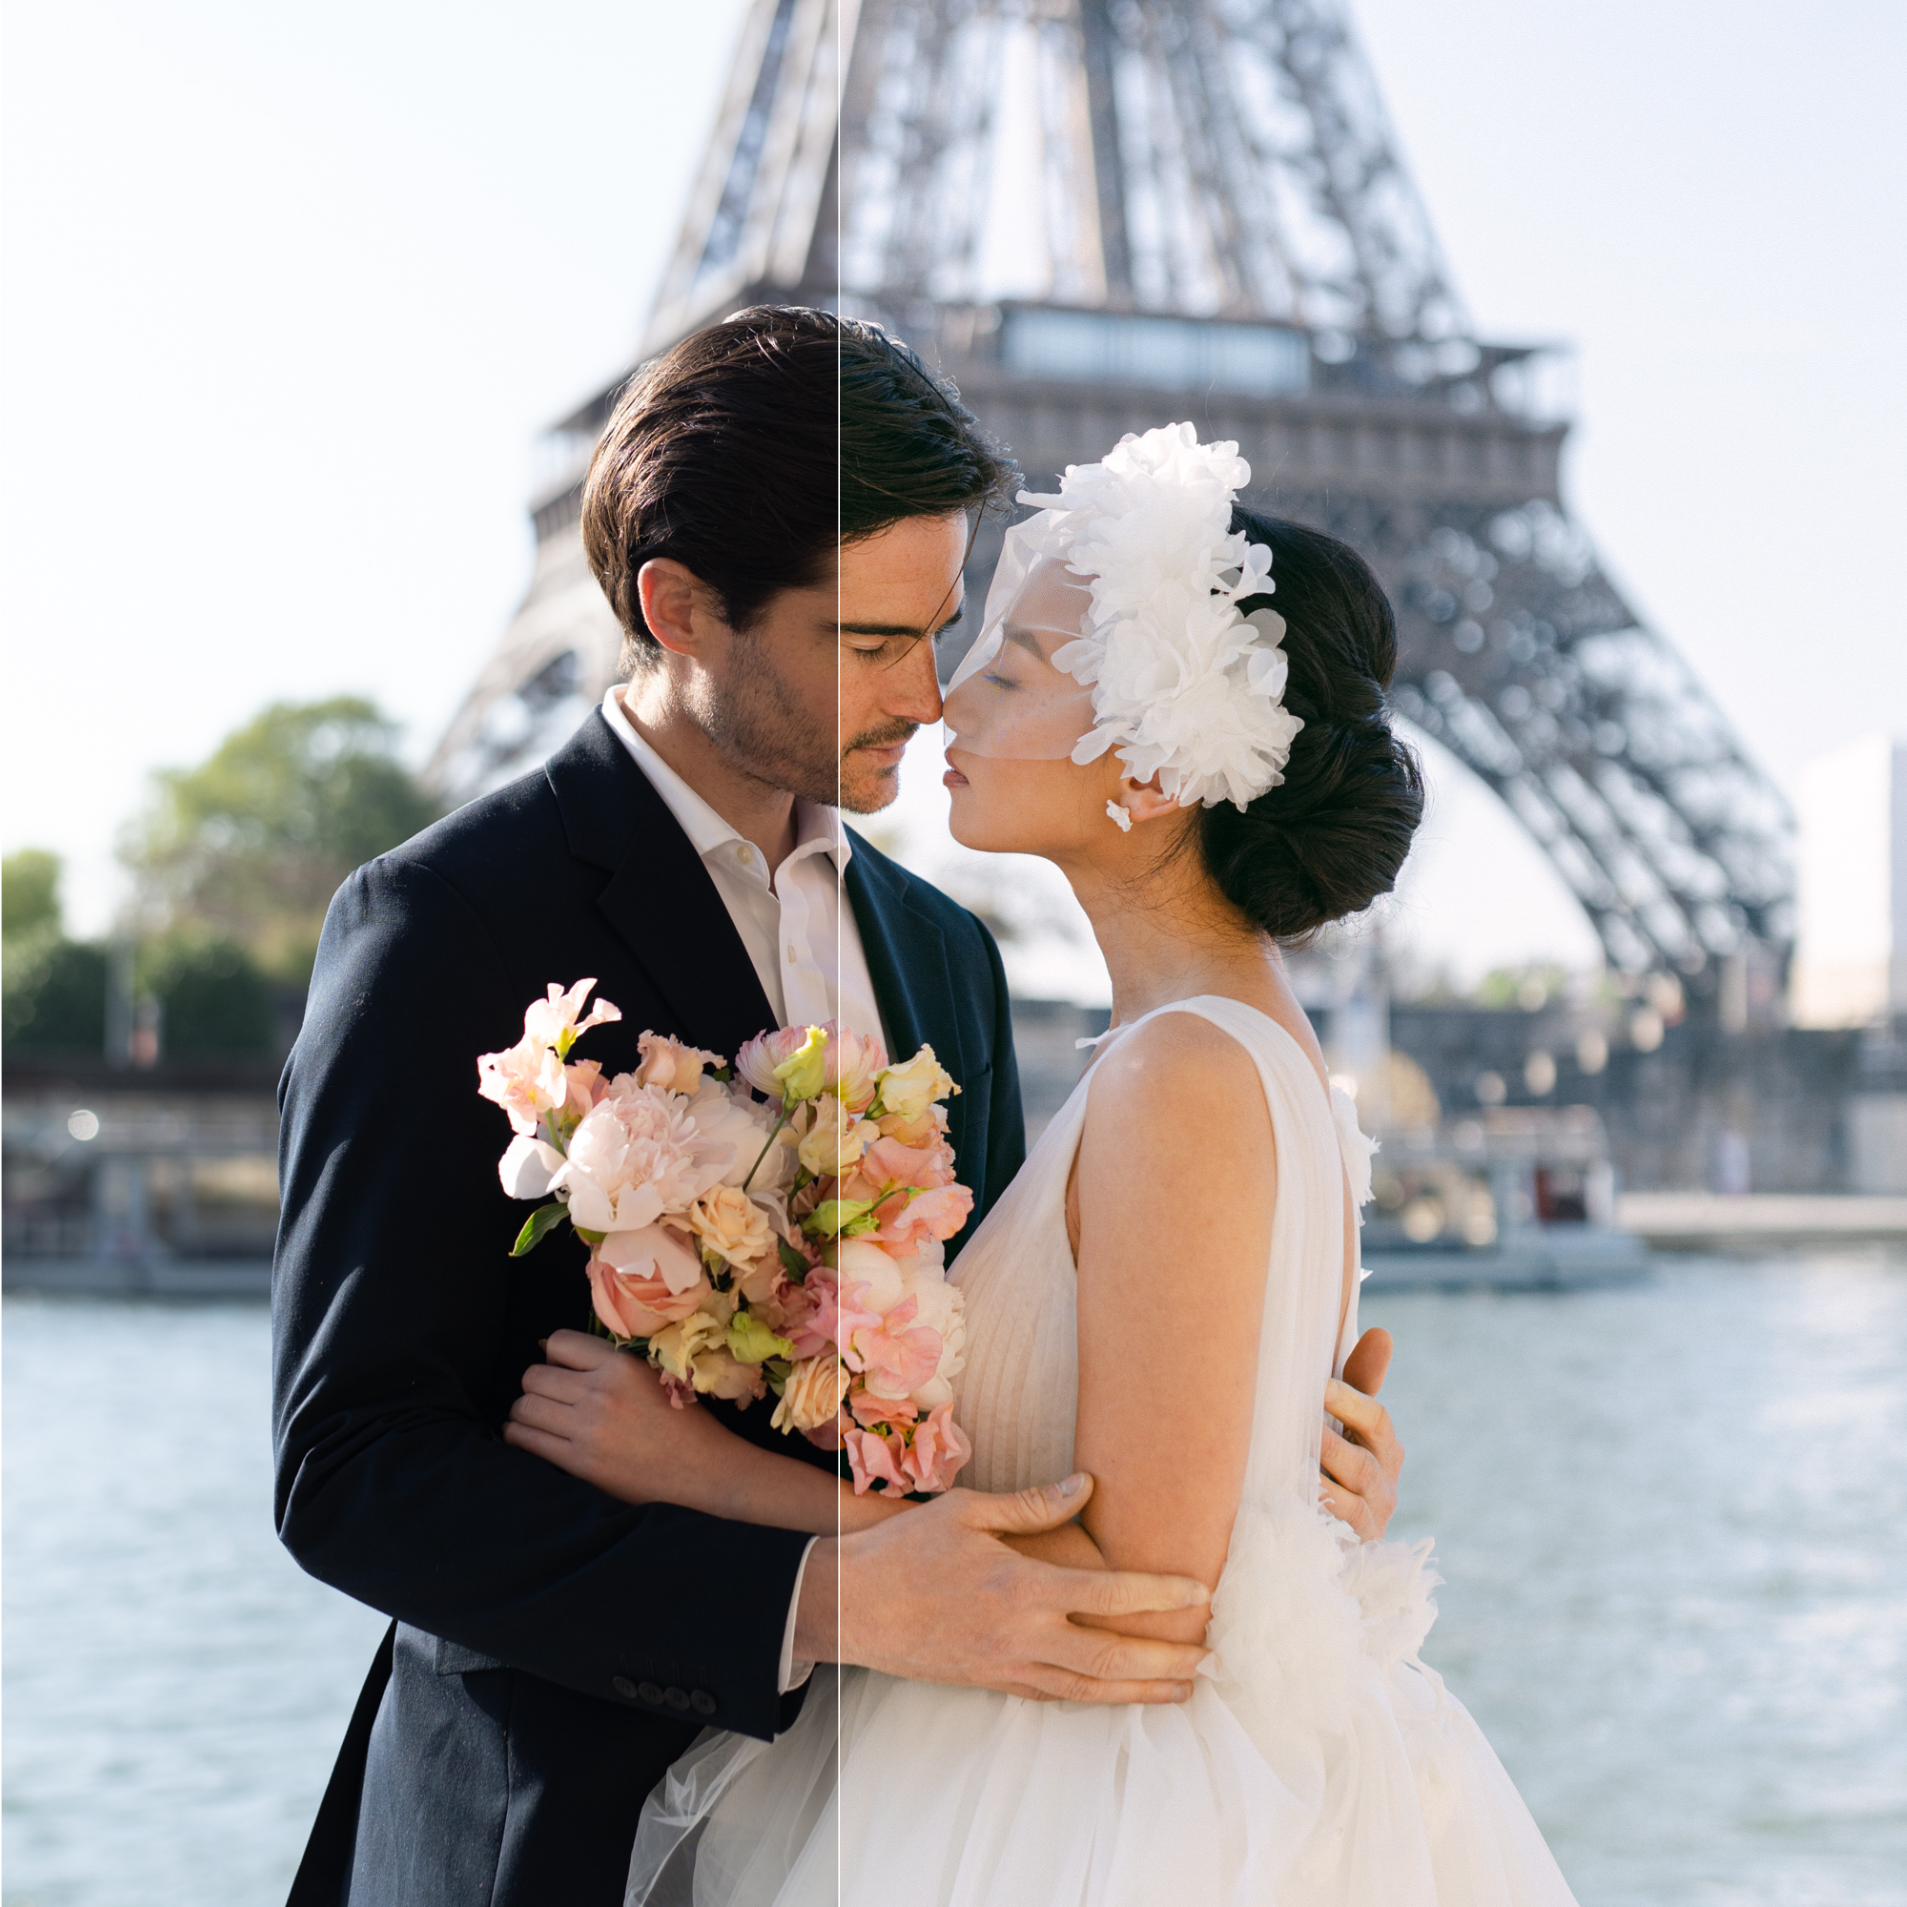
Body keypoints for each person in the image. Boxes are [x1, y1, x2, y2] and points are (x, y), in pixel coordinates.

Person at [272, 311, 1404, 1907]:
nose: (930, 693)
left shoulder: (944, 954)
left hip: (931, 1825)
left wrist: (1272, 1463)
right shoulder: (442, 921)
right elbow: (350, 1466)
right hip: (554, 1842)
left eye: (947, 631)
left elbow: (1017, 1400)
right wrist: (809, 1596)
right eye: (871, 642)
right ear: (679, 608)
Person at [515, 423, 1575, 1903]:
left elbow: (1132, 1592)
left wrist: (693, 1468)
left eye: (1010, 670)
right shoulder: (1202, 1051)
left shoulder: (1183, 1072)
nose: (949, 692)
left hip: (1079, 1813)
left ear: (1147, 769)